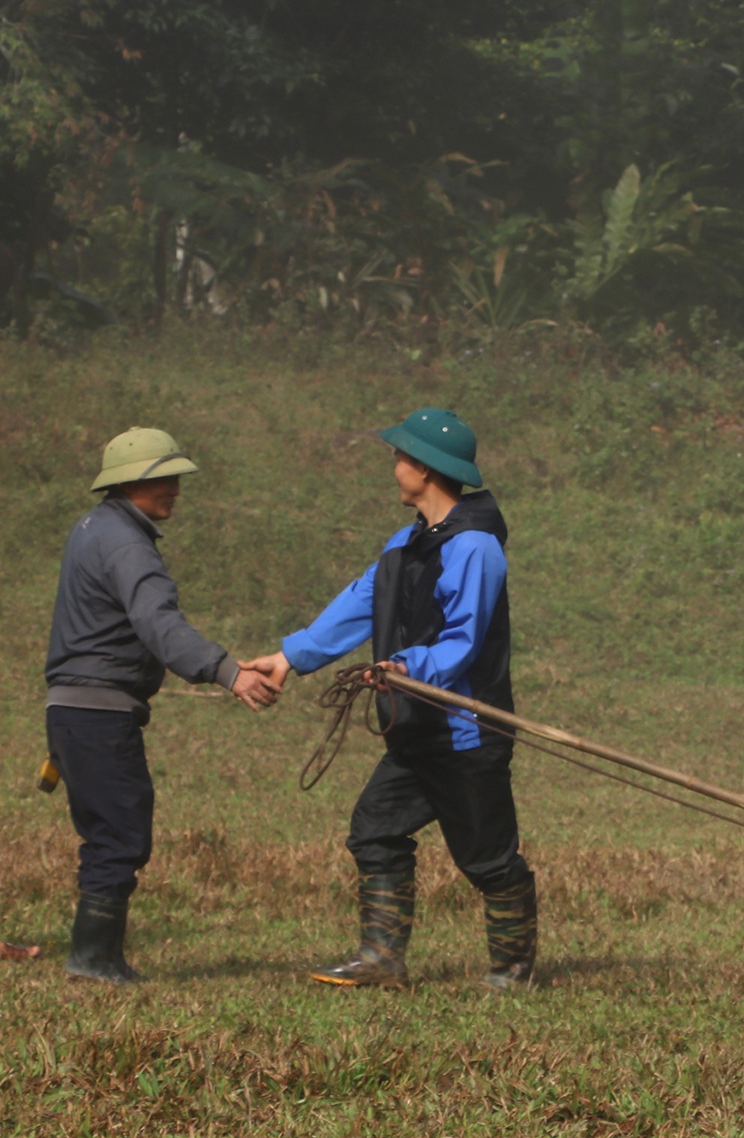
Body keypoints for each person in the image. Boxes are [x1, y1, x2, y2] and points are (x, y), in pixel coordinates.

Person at [245, 408, 536, 991]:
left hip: (465, 733)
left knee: (487, 859)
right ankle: (381, 960)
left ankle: (512, 968)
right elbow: (361, 602)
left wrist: (406, 666)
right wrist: (291, 657)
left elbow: (464, 639)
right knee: (375, 829)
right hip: (413, 729)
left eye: (400, 457)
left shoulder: (475, 547)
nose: (394, 466)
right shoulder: (405, 545)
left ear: (425, 469)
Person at [45, 428, 280, 984]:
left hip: (75, 709)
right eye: (163, 478)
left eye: (176, 476)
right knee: (119, 832)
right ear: (130, 483)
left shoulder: (93, 528)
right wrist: (229, 673)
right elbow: (159, 624)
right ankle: (94, 960)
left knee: (110, 827)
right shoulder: (127, 544)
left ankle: (96, 955)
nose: (175, 488)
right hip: (99, 711)